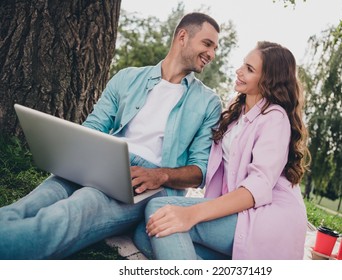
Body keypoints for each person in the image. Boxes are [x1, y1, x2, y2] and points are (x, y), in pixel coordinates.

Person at [0, 12, 222, 259]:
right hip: (104, 159)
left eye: (215, 48)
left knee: (78, 208)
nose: (212, 54)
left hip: (149, 180)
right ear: (183, 36)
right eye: (207, 44)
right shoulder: (127, 78)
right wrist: (75, 157)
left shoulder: (208, 102)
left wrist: (161, 175)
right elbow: (94, 126)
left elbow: (199, 172)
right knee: (34, 201)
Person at [142, 41, 311, 260]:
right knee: (147, 231)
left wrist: (192, 214)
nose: (239, 71)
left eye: (249, 69)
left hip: (267, 219)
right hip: (238, 211)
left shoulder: (274, 118)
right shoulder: (238, 110)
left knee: (159, 210)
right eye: (243, 64)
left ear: (269, 80)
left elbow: (257, 187)